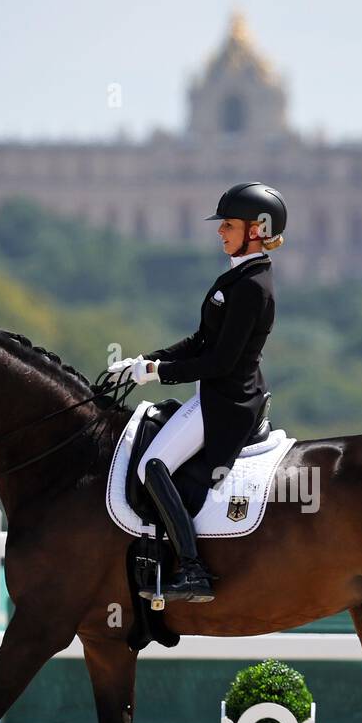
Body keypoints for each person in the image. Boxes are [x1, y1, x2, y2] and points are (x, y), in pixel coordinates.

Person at [110, 182, 286, 602]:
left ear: (257, 229)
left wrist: (159, 373)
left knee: (152, 466)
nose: (220, 231)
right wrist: (146, 360)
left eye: (228, 224)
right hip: (217, 393)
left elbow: (220, 361)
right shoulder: (239, 274)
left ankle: (193, 570)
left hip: (228, 400)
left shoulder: (252, 285)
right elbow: (200, 340)